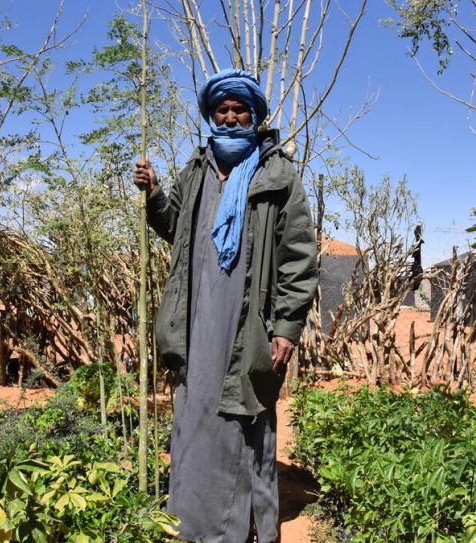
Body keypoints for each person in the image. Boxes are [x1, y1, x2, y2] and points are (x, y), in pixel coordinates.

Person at [132, 69, 318, 543]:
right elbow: (177, 228)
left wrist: (286, 328)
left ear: (254, 116)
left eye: (240, 111)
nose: (231, 117)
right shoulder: (197, 168)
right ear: (212, 115)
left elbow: (298, 256)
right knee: (196, 414)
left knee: (244, 411)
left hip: (248, 320)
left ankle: (245, 527)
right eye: (223, 110)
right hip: (196, 318)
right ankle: (191, 521)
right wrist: (154, 194)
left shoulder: (276, 173)